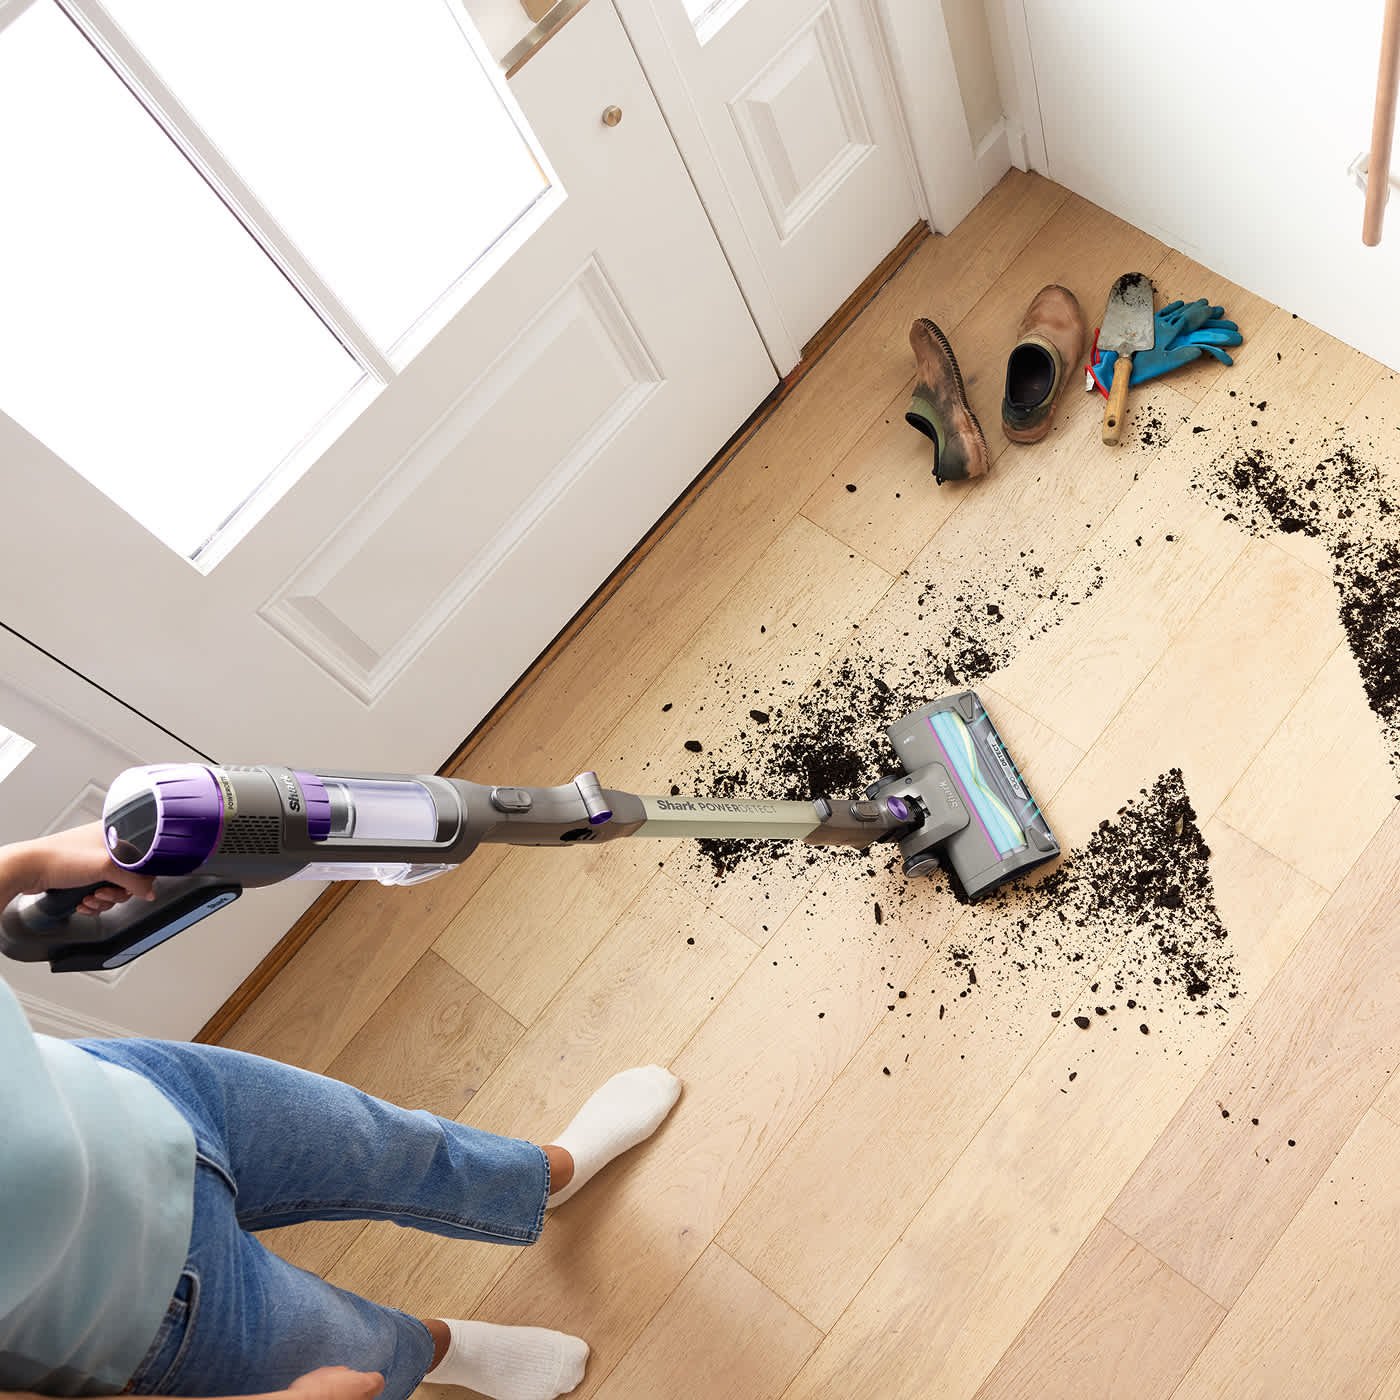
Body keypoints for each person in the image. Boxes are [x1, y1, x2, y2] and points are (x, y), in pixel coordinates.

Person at [0, 824, 682, 1400]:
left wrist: (28, 862)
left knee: (388, 1143)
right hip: (125, 1317)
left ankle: (545, 1177)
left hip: (132, 1093)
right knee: (360, 1354)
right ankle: (442, 1351)